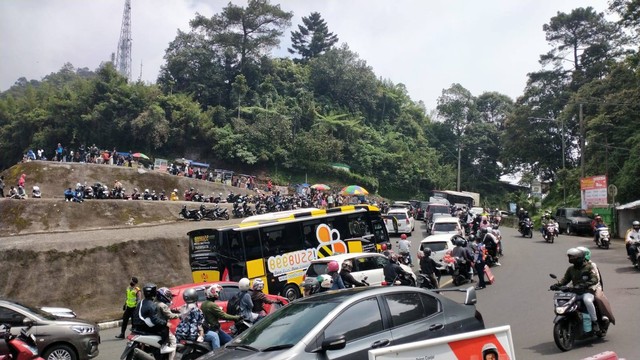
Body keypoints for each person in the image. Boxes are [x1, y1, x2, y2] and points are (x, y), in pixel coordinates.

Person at [549, 248, 600, 332]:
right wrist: (556, 285)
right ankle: (571, 318)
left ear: (579, 258)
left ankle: (595, 322)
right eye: (569, 257)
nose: (570, 259)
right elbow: (565, 280)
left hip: (587, 291)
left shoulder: (589, 267)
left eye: (572, 257)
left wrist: (583, 285)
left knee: (587, 301)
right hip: (574, 292)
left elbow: (594, 279)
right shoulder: (571, 269)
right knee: (564, 300)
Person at [576, 246, 615, 326]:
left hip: (594, 287)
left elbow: (596, 278)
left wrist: (590, 287)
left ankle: (604, 315)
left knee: (598, 297)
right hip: (580, 288)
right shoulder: (575, 266)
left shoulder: (592, 265)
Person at [131, 283, 173, 353]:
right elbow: (155, 320)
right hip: (143, 326)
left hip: (136, 325)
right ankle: (163, 346)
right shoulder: (151, 305)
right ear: (153, 293)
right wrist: (165, 323)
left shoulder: (141, 302)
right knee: (165, 328)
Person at [201, 284, 241, 349]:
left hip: (211, 328)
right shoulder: (211, 305)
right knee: (230, 342)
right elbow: (223, 316)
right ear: (213, 293)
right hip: (214, 329)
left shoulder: (204, 304)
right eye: (218, 292)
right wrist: (237, 317)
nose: (218, 294)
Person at [155, 287, 179, 359]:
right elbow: (170, 315)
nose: (169, 297)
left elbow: (167, 311)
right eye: (167, 295)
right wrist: (180, 315)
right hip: (162, 327)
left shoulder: (155, 303)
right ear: (162, 295)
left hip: (156, 326)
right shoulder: (163, 305)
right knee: (173, 341)